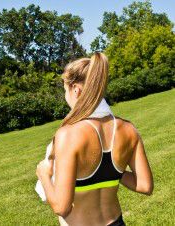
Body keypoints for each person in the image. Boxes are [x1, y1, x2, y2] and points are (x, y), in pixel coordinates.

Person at [36, 52, 154, 226]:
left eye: (65, 90)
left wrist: (43, 174)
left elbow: (62, 207)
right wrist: (111, 170)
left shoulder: (68, 134)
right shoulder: (128, 129)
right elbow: (145, 186)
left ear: (76, 89)